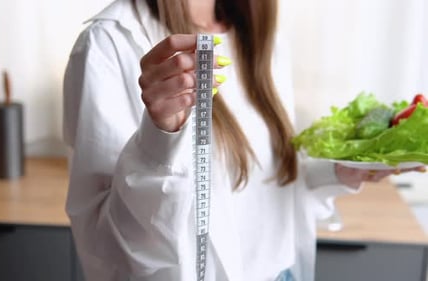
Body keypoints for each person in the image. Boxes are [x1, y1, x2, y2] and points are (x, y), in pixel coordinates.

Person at [63, 0, 424, 280]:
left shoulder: (261, 38)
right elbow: (110, 248)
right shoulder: (109, 43)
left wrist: (343, 171)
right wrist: (160, 136)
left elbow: (262, 187)